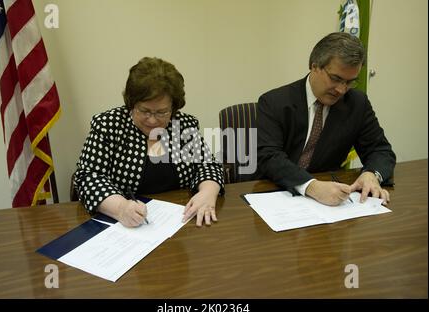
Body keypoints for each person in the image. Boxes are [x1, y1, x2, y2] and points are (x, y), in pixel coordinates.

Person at [74, 57, 224, 227]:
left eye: (161, 112)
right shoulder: (109, 125)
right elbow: (87, 177)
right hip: (123, 228)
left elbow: (209, 165)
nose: (152, 120)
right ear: (131, 104)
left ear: (173, 108)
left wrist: (208, 192)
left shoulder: (183, 125)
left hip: (179, 224)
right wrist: (120, 207)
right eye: (144, 111)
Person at [256, 32, 396, 206]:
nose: (342, 90)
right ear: (314, 66)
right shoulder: (273, 102)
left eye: (350, 82)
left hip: (330, 204)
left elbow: (380, 150)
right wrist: (311, 186)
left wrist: (371, 174)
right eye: (336, 79)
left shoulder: (357, 103)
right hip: (277, 195)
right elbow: (269, 157)